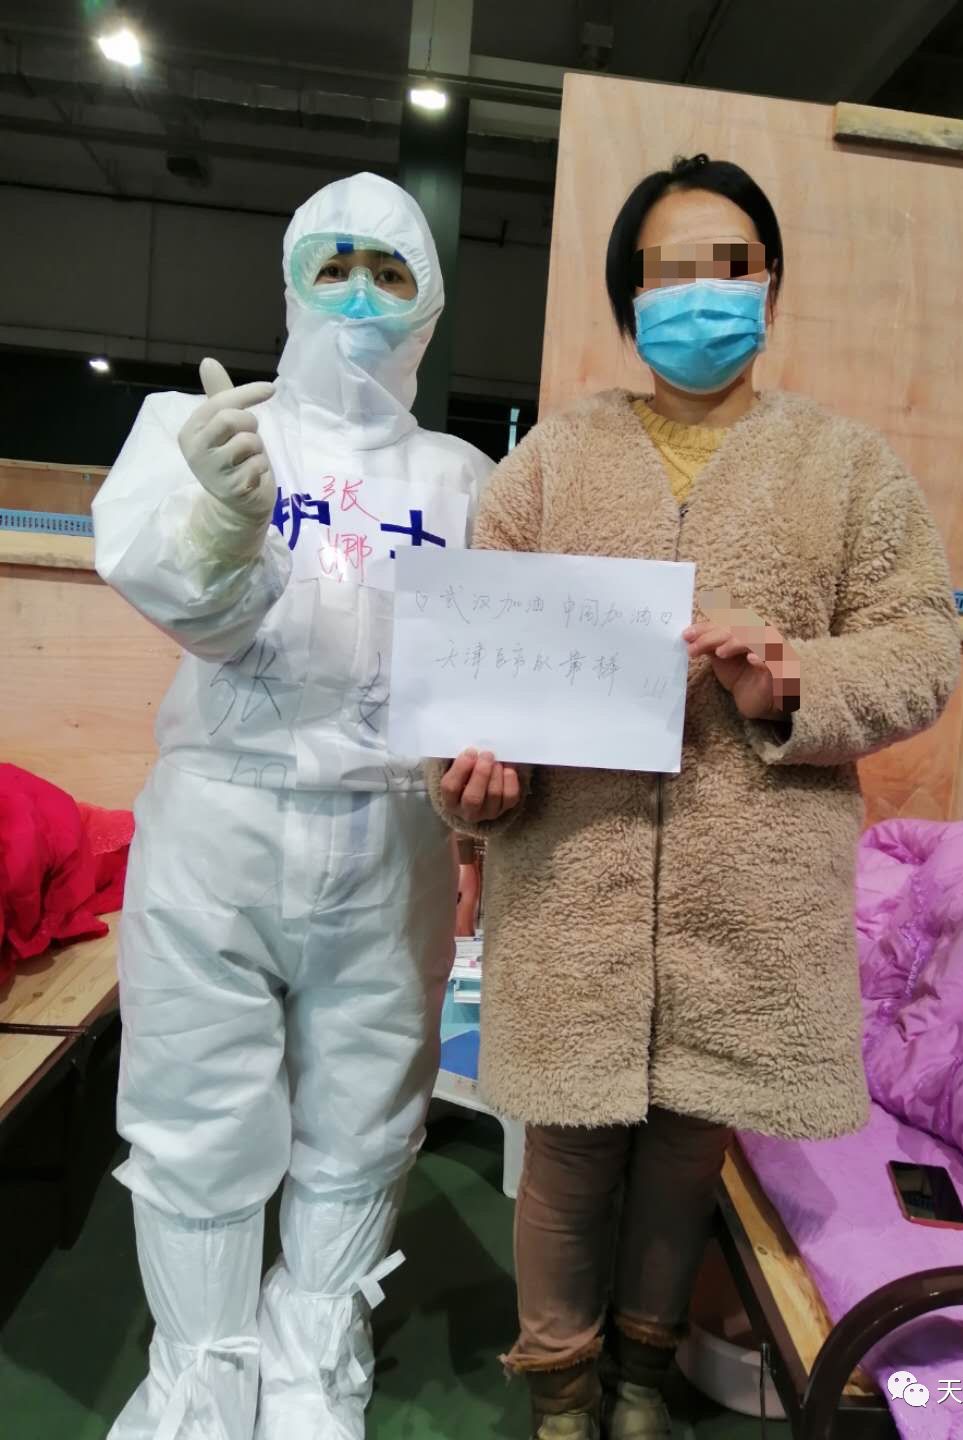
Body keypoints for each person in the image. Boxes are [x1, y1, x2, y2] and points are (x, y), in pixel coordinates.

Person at [427, 153, 961, 1440]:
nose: (704, 294)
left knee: (683, 1150)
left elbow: (922, 651)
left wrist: (793, 677)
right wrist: (476, 791)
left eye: (733, 264)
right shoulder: (549, 466)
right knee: (565, 1149)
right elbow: (470, 666)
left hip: (751, 892)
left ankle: (642, 1380)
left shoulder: (848, 468)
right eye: (672, 270)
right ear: (630, 294)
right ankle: (561, 1394)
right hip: (576, 875)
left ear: (770, 284)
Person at [93, 172, 493, 1440]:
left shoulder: (463, 477)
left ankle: (316, 1361)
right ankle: (203, 1374)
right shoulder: (202, 429)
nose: (360, 294)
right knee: (196, 1107)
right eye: (334, 265)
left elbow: (497, 667)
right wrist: (222, 519)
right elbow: (191, 611)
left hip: (393, 832)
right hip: (223, 820)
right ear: (289, 281)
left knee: (365, 1107)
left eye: (391, 271)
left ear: (429, 304)